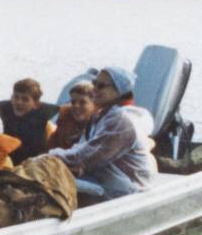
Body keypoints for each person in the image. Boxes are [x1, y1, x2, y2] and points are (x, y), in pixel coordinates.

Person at [48, 67, 156, 201]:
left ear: (118, 90)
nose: (94, 89)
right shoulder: (105, 115)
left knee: (49, 182)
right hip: (107, 179)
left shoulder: (121, 120)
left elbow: (84, 156)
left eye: (101, 86)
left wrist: (49, 156)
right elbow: (82, 148)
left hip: (128, 192)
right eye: (94, 83)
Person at [0, 78, 59, 163]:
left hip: (29, 165)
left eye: (25, 99)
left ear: (36, 104)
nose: (19, 102)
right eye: (16, 97)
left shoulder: (43, 123)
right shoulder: (1, 113)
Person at [47, 81, 97, 150]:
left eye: (82, 102)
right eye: (73, 102)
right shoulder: (65, 115)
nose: (76, 106)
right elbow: (53, 143)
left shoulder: (101, 123)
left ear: (94, 104)